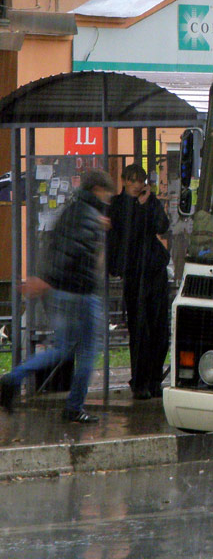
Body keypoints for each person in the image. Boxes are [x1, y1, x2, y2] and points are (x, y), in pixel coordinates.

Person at [0, 169, 115, 424]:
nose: (108, 201)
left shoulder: (72, 210)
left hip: (60, 293)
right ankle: (74, 407)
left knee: (62, 349)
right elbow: (75, 254)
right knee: (87, 352)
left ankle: (14, 376)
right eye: (107, 195)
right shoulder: (89, 217)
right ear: (97, 190)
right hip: (81, 294)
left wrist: (48, 281)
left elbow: (57, 247)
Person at [108, 164, 171, 400]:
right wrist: (141, 208)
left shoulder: (149, 201)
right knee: (140, 329)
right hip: (135, 273)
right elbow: (128, 234)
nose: (136, 185)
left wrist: (150, 203)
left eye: (140, 180)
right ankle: (140, 381)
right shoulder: (117, 205)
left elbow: (162, 226)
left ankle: (155, 380)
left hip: (154, 270)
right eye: (132, 180)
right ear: (124, 181)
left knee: (160, 330)